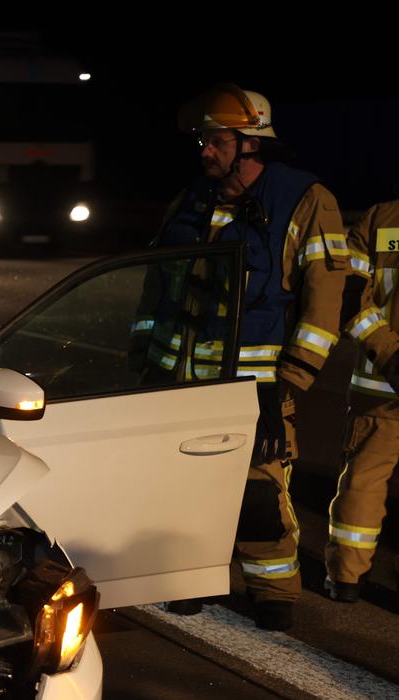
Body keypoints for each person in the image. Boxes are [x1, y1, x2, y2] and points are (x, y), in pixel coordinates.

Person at [136, 84, 351, 630]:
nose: (205, 151)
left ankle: (273, 590)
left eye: (216, 141)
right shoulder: (191, 199)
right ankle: (186, 577)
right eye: (203, 141)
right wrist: (141, 355)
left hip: (252, 386)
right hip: (177, 380)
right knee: (179, 489)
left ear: (251, 143)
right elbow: (155, 284)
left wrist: (287, 384)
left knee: (258, 494)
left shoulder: (306, 200)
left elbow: (324, 303)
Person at [325, 199, 399, 601]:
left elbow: (348, 293)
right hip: (381, 383)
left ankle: (347, 579)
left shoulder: (380, 218)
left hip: (380, 384)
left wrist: (387, 351)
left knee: (364, 482)